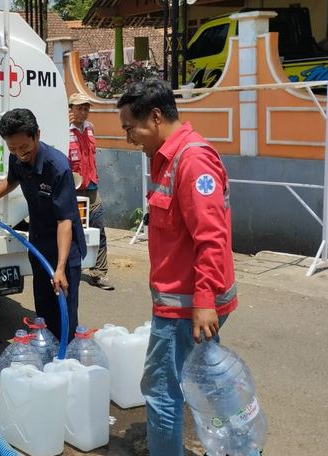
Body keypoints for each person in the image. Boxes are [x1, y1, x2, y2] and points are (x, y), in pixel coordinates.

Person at [116, 80, 238, 456]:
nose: (129, 139)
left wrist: (203, 301)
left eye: (129, 129)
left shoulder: (192, 159)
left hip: (187, 307)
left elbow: (212, 238)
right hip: (182, 301)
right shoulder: (167, 157)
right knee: (205, 383)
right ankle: (240, 446)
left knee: (162, 391)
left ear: (154, 118)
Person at [0, 108, 87, 341]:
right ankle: (46, 355)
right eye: (12, 148)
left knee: (63, 312)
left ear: (37, 135)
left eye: (23, 147)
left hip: (64, 249)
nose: (19, 153)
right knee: (43, 310)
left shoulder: (57, 166)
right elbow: (12, 180)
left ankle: (65, 360)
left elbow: (64, 219)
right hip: (39, 246)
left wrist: (61, 267)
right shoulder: (18, 157)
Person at [68, 92, 114, 291]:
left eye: (86, 108)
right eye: (79, 108)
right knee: (69, 232)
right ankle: (67, 269)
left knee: (99, 230)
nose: (84, 112)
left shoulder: (90, 128)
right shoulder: (63, 130)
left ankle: (99, 273)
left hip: (92, 187)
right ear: (70, 109)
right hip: (72, 190)